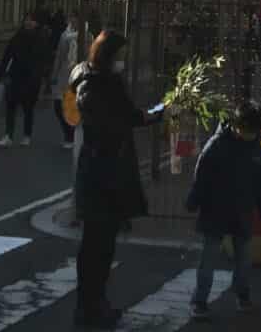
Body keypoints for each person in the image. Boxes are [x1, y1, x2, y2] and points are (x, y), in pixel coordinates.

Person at [72, 30, 164, 328]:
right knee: (98, 247)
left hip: (97, 172)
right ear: (109, 55)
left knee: (97, 245)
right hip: (105, 175)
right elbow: (130, 117)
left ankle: (92, 304)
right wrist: (160, 110)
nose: (123, 60)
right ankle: (91, 308)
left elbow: (127, 117)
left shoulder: (90, 80)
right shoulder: (101, 86)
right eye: (120, 55)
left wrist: (156, 111)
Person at [186, 101, 261, 320]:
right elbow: (202, 175)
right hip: (216, 208)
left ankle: (242, 295)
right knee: (210, 257)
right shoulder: (219, 145)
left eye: (253, 131)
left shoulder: (255, 150)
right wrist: (194, 198)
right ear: (237, 126)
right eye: (247, 131)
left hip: (240, 209)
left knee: (243, 258)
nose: (250, 135)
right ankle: (200, 301)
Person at [0, 11, 45, 147]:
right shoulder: (18, 37)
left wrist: (39, 78)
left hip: (31, 79)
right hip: (15, 76)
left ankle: (27, 135)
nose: (28, 22)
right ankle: (8, 135)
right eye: (26, 20)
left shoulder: (40, 38)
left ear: (37, 23)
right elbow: (7, 56)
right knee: (11, 105)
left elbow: (42, 61)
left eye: (31, 20)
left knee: (28, 108)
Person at [50, 12, 80, 149]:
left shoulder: (87, 36)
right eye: (71, 19)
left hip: (77, 75)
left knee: (72, 106)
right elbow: (59, 56)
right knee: (58, 106)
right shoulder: (64, 35)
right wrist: (54, 74)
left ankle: (71, 135)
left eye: (76, 19)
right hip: (64, 75)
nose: (73, 21)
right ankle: (68, 133)